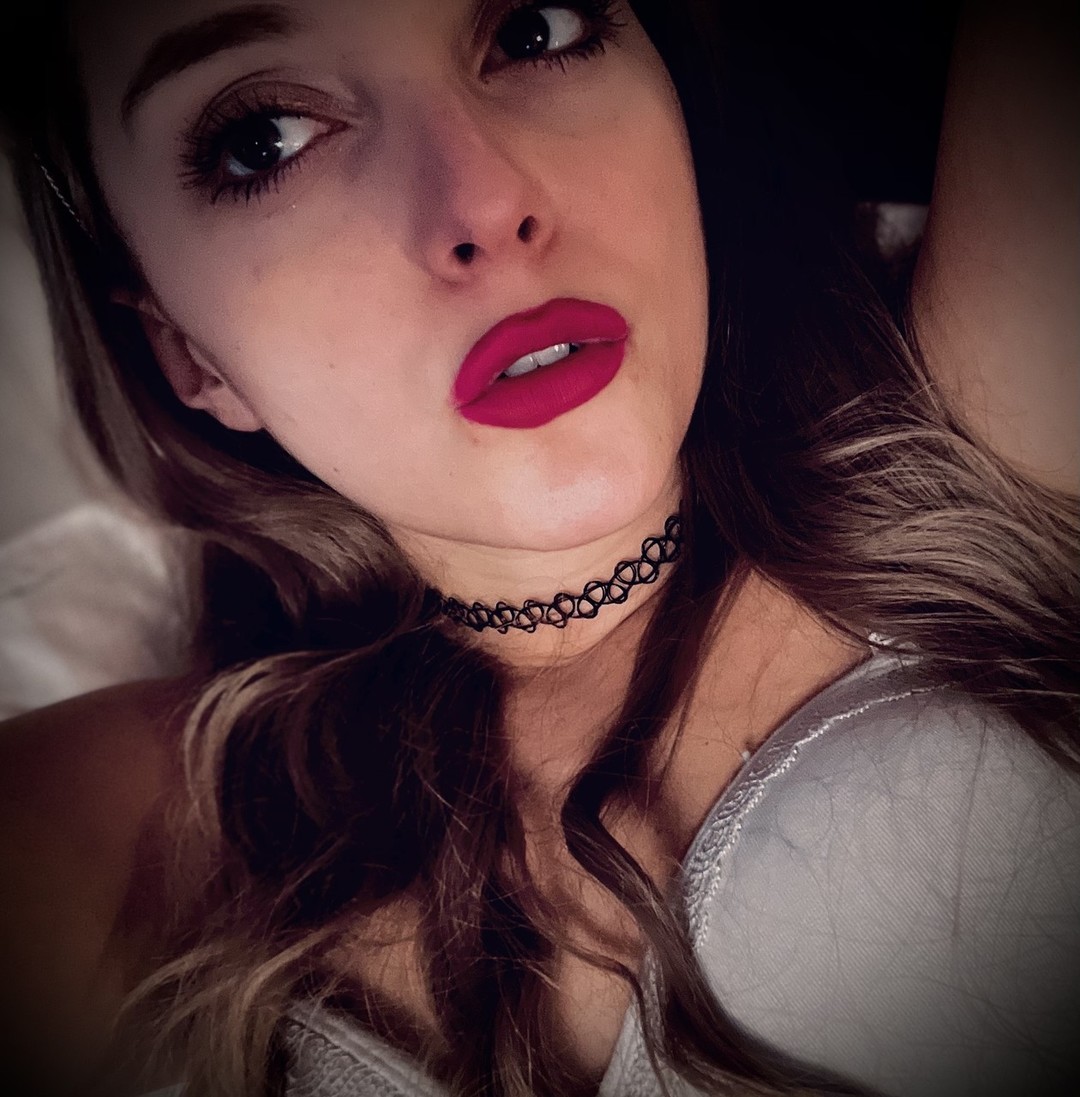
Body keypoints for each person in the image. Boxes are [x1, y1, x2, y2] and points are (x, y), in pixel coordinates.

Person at [0, 1, 1077, 1095]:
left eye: (533, 29)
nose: (485, 202)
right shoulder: (158, 826)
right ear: (189, 354)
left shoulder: (982, 425)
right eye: (265, 139)